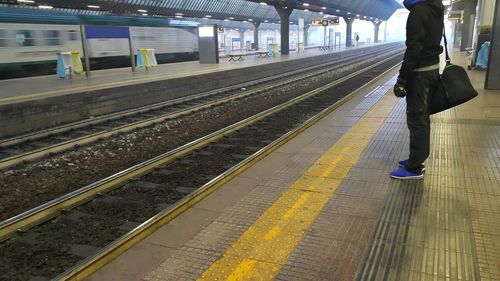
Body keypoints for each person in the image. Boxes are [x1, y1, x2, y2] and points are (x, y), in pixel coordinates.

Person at [390, 0, 444, 179]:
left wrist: (402, 79)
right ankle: (417, 158)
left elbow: (414, 48)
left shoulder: (419, 11)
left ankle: (414, 168)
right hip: (431, 69)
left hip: (420, 73)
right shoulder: (434, 8)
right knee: (422, 117)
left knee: (416, 118)